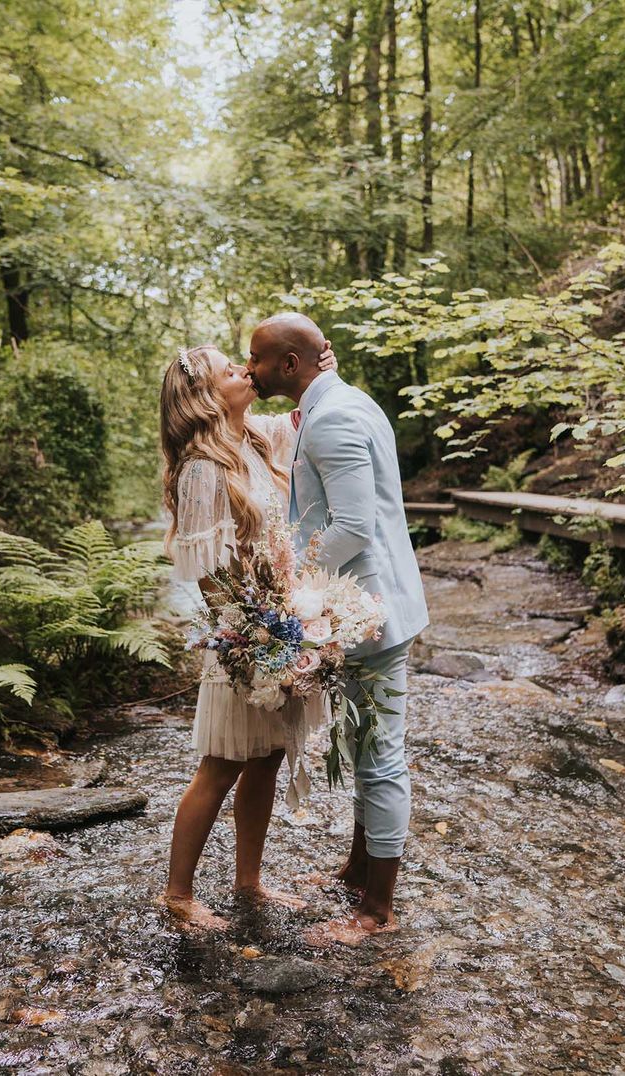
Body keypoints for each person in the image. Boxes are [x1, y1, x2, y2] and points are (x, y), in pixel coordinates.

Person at [247, 312, 429, 944]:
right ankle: (359, 867)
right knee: (361, 746)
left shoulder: (334, 418)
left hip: (366, 610)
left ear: (290, 364)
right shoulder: (340, 403)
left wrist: (289, 586)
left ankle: (376, 909)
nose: (252, 367)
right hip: (365, 605)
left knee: (379, 758)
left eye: (259, 359)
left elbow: (352, 527)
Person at [158, 340, 336, 930]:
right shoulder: (203, 467)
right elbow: (205, 570)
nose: (244, 370)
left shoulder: (255, 437)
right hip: (243, 634)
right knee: (221, 764)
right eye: (229, 370)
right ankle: (178, 895)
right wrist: (248, 636)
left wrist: (318, 367)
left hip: (283, 622)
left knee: (267, 759)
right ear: (205, 397)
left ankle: (249, 881)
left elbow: (305, 414)